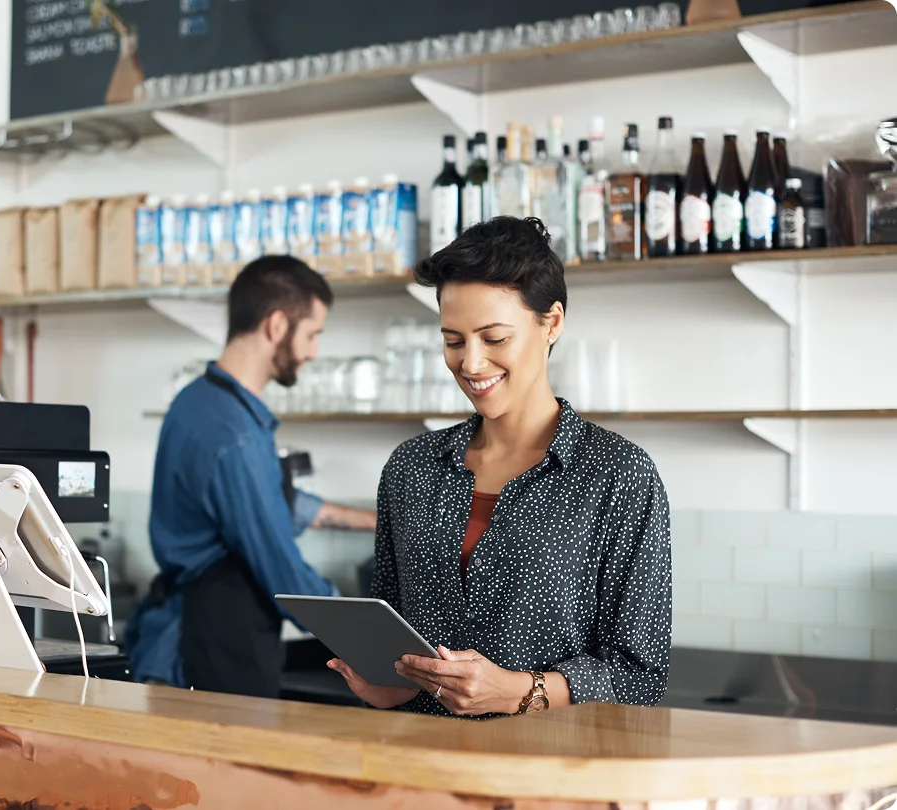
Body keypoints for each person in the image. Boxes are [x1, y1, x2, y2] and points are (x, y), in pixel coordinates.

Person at [329, 217, 672, 717]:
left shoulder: (619, 476)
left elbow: (639, 675)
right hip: (418, 772)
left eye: (493, 338)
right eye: (453, 340)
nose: (470, 364)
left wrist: (515, 691)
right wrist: (389, 683)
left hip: (548, 777)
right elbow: (395, 647)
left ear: (551, 323)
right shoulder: (411, 469)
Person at [124, 255, 377, 698]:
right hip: (210, 646)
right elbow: (279, 564)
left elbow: (276, 503)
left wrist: (377, 522)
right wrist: (367, 635)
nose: (314, 352)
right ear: (277, 325)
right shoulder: (233, 433)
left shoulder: (201, 401)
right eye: (313, 334)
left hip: (193, 635)